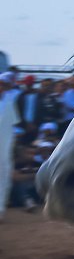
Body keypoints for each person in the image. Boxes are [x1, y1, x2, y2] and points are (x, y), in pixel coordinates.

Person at [0, 71, 20, 222]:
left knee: (3, 178)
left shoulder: (9, 103)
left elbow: (13, 126)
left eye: (4, 85)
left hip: (4, 149)